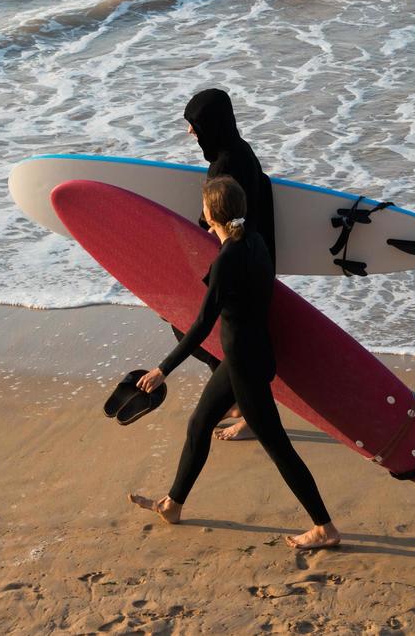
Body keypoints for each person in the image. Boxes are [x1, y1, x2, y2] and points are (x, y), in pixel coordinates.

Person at [129, 177, 341, 552]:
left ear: (212, 213)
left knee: (278, 447)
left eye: (205, 206)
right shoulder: (255, 242)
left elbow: (202, 323)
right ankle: (173, 504)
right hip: (250, 354)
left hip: (245, 364)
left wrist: (164, 369)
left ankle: (324, 527)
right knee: (199, 423)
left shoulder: (228, 258)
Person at [175, 88, 277, 441]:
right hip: (254, 256)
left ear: (213, 125)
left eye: (195, 124)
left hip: (239, 266)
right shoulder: (237, 150)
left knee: (194, 325)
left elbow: (213, 221)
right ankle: (236, 397)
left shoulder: (225, 165)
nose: (190, 131)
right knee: (224, 336)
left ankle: (245, 408)